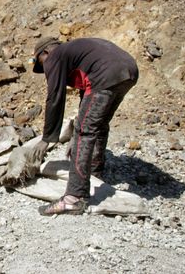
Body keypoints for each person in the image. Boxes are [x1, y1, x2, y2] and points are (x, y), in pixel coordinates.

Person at [31, 37, 139, 215]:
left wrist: (47, 139)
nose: (45, 70)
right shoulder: (78, 55)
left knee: (84, 133)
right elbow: (86, 102)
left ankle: (74, 197)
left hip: (106, 74)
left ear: (45, 53)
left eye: (41, 65)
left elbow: (55, 98)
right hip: (128, 70)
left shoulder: (55, 56)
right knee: (99, 124)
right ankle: (95, 174)